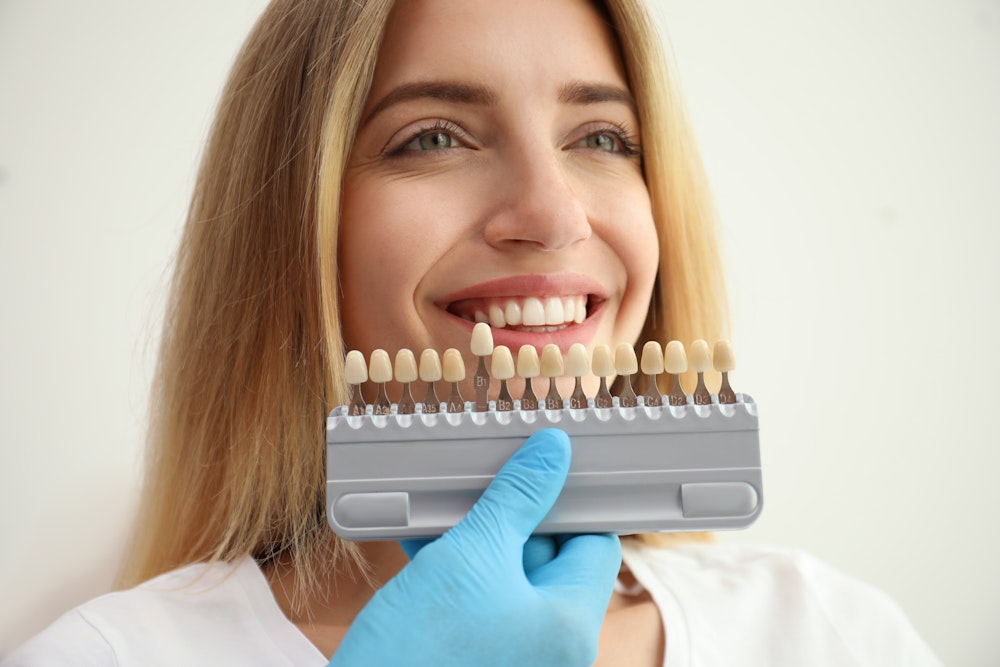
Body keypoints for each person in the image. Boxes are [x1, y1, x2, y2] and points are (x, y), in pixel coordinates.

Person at [3, 0, 943, 665]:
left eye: (602, 138)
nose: (552, 215)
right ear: (295, 230)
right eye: (434, 136)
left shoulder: (830, 634)